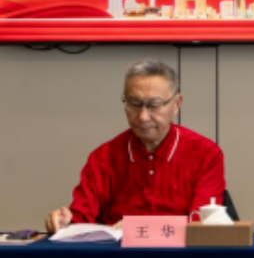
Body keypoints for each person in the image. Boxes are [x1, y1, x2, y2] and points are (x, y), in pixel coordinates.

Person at [45, 59, 225, 233]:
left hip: (181, 253)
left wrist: (139, 227)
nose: (143, 117)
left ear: (177, 104)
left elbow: (203, 224)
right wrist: (66, 222)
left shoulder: (205, 154)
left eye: (154, 105)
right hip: (117, 252)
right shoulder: (103, 158)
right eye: (134, 104)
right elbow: (81, 219)